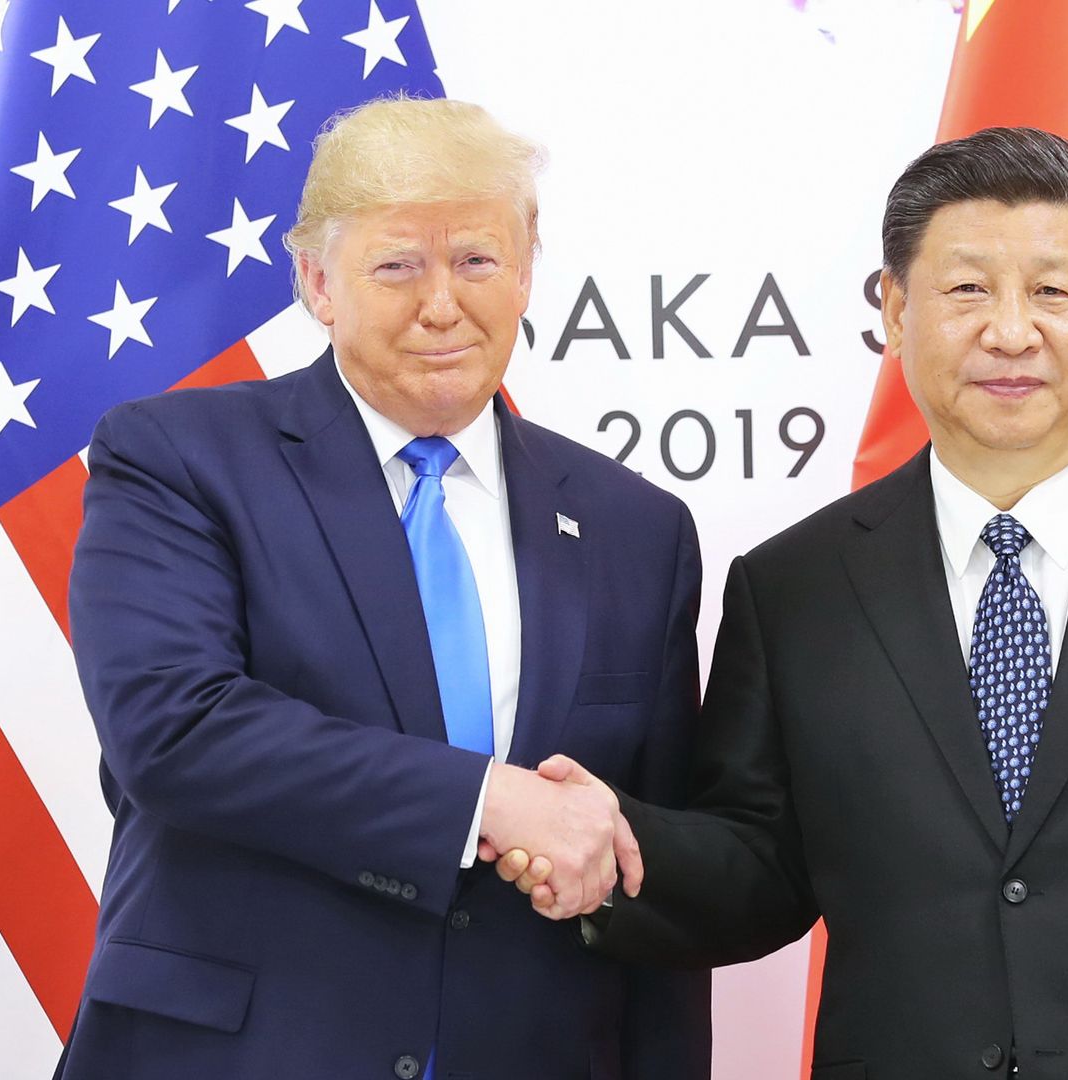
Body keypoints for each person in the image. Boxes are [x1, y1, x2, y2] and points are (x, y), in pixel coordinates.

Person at [503, 127, 1068, 1078]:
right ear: (896, 311)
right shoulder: (795, 586)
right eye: (967, 289)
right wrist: (611, 847)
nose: (1011, 331)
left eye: (1053, 291)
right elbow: (762, 872)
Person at [55, 96, 709, 1080]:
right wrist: (488, 801)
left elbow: (644, 868)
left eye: (478, 261)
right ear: (318, 280)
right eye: (398, 264)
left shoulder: (636, 528)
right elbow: (173, 730)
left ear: (527, 265)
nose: (443, 304)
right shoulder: (176, 459)